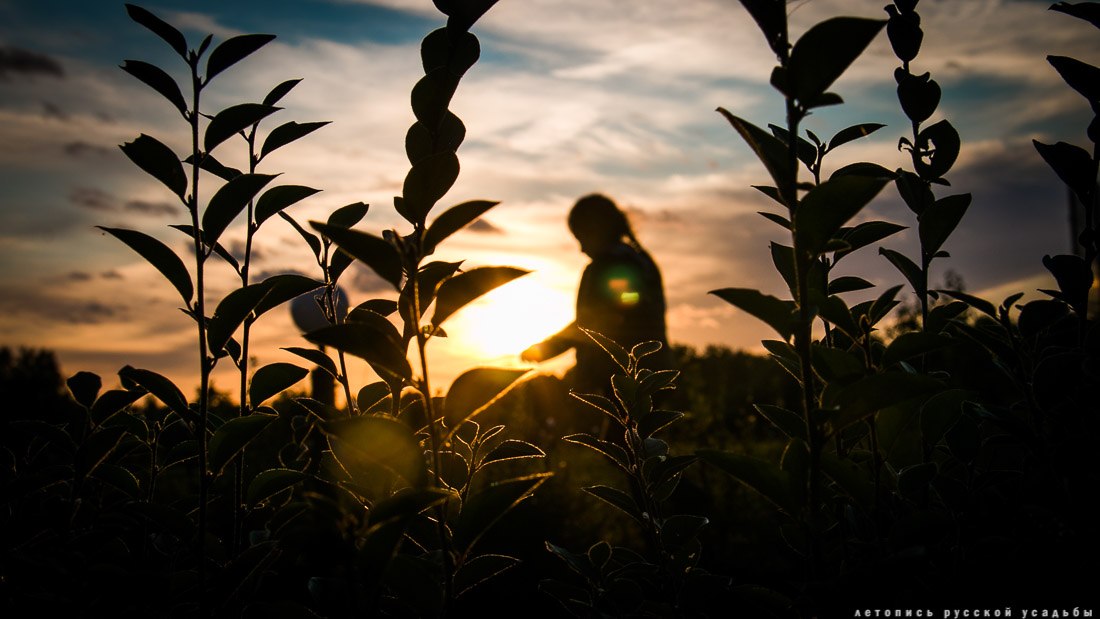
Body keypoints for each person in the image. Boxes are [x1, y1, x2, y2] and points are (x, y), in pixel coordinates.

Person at [522, 194, 670, 395]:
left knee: (621, 426)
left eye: (582, 238)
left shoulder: (610, 266)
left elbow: (592, 323)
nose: (581, 249)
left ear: (598, 229)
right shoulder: (641, 260)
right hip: (654, 374)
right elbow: (630, 301)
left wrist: (544, 349)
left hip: (619, 381)